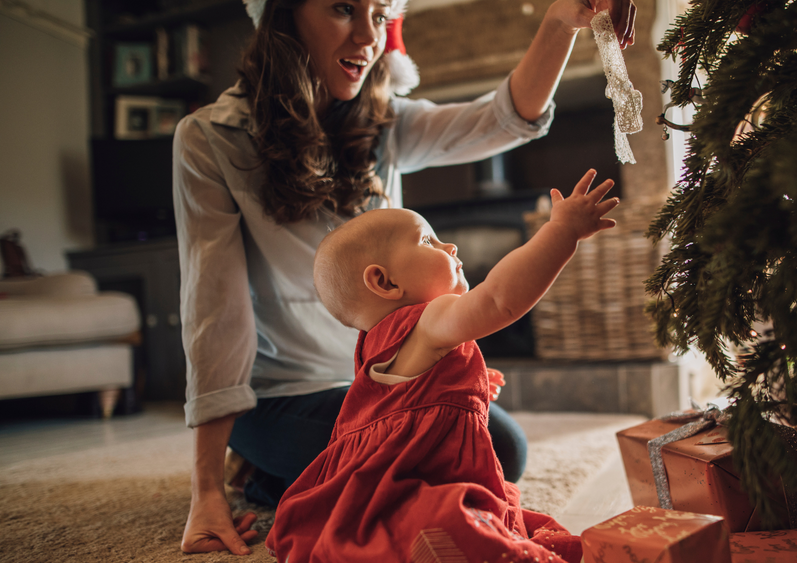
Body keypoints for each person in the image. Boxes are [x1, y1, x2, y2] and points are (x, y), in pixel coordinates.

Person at [173, 0, 636, 555]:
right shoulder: (209, 138)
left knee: (501, 448)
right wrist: (203, 491)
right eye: (344, 9)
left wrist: (561, 20)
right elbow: (214, 309)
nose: (369, 36)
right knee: (395, 464)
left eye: (380, 13)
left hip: (382, 383)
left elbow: (504, 117)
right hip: (280, 395)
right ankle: (261, 464)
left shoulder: (383, 121)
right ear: (283, 14)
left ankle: (280, 475)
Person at [266, 169, 618, 562]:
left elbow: (410, 397)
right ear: (384, 282)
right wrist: (561, 233)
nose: (448, 244)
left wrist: (470, 382)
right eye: (427, 241)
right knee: (452, 525)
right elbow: (498, 300)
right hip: (412, 479)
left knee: (484, 509)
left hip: (400, 472)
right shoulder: (428, 319)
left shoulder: (375, 342)